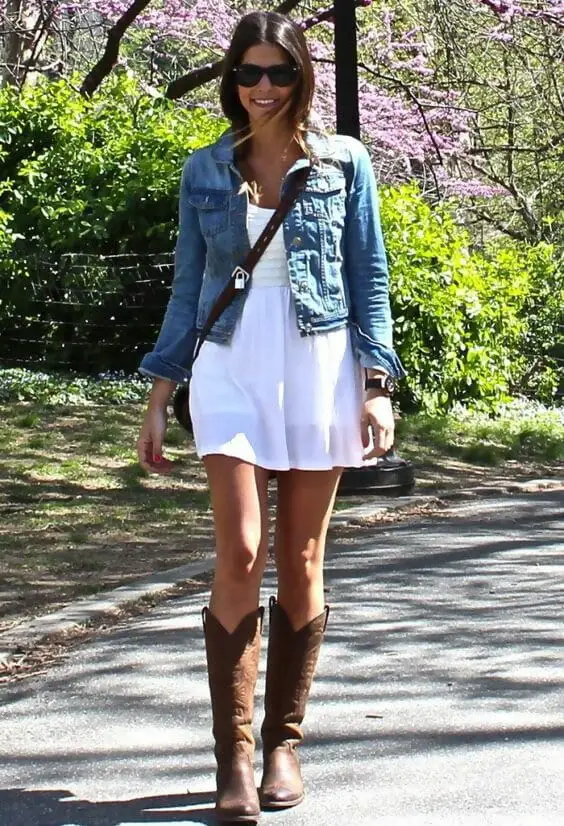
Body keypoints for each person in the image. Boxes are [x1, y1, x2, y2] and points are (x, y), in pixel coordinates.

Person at [137, 9, 405, 823]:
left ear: (302, 77)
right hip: (228, 363)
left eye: (278, 73)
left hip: (318, 363)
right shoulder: (205, 169)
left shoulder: (344, 163)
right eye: (247, 73)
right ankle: (236, 758)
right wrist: (158, 394)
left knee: (303, 553)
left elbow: (370, 276)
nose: (261, 88)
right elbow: (189, 288)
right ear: (231, 80)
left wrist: (377, 382)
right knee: (242, 548)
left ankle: (284, 740)